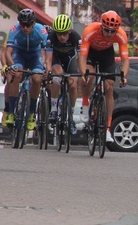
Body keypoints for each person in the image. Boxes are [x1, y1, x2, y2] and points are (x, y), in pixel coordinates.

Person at [78, 10, 129, 144]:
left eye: (113, 31)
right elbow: (82, 56)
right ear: (101, 26)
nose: (109, 34)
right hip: (91, 52)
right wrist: (83, 73)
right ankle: (85, 103)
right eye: (107, 30)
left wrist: (123, 76)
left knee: (109, 87)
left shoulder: (121, 35)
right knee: (88, 76)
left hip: (107, 54)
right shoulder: (90, 30)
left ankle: (107, 129)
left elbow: (125, 60)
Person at [2, 9, 50, 131]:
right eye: (22, 24)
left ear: (33, 23)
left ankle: (32, 113)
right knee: (15, 74)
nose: (25, 28)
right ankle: (11, 112)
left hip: (35, 55)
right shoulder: (15, 29)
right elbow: (8, 51)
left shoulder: (41, 30)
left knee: (37, 78)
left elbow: (47, 51)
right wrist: (11, 65)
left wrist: (46, 66)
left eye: (28, 25)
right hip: (19, 54)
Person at [46, 14, 81, 127]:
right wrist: (48, 70)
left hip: (70, 59)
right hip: (56, 59)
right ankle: (54, 108)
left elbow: (81, 57)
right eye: (59, 34)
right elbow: (49, 58)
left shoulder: (76, 37)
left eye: (65, 34)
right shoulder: (51, 37)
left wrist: (83, 71)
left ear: (70, 31)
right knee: (57, 75)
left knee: (73, 84)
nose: (62, 37)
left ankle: (71, 113)